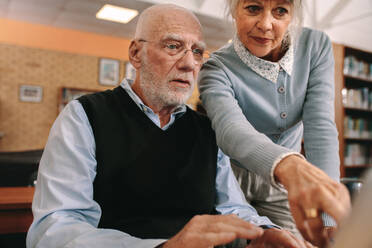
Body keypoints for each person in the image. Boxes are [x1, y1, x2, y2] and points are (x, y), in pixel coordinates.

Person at [26, 4, 311, 248]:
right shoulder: (84, 116)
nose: (189, 64)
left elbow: (233, 208)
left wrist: (265, 232)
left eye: (198, 52)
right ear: (136, 54)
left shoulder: (207, 131)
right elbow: (54, 230)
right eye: (173, 46)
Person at [198, 0, 351, 246]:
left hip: (285, 184)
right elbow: (230, 129)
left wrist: (327, 215)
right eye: (253, 8)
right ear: (234, 10)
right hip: (232, 180)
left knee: (299, 242)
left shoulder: (315, 46)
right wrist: (289, 165)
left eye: (280, 10)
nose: (266, 24)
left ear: (292, 16)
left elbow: (320, 127)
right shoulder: (215, 67)